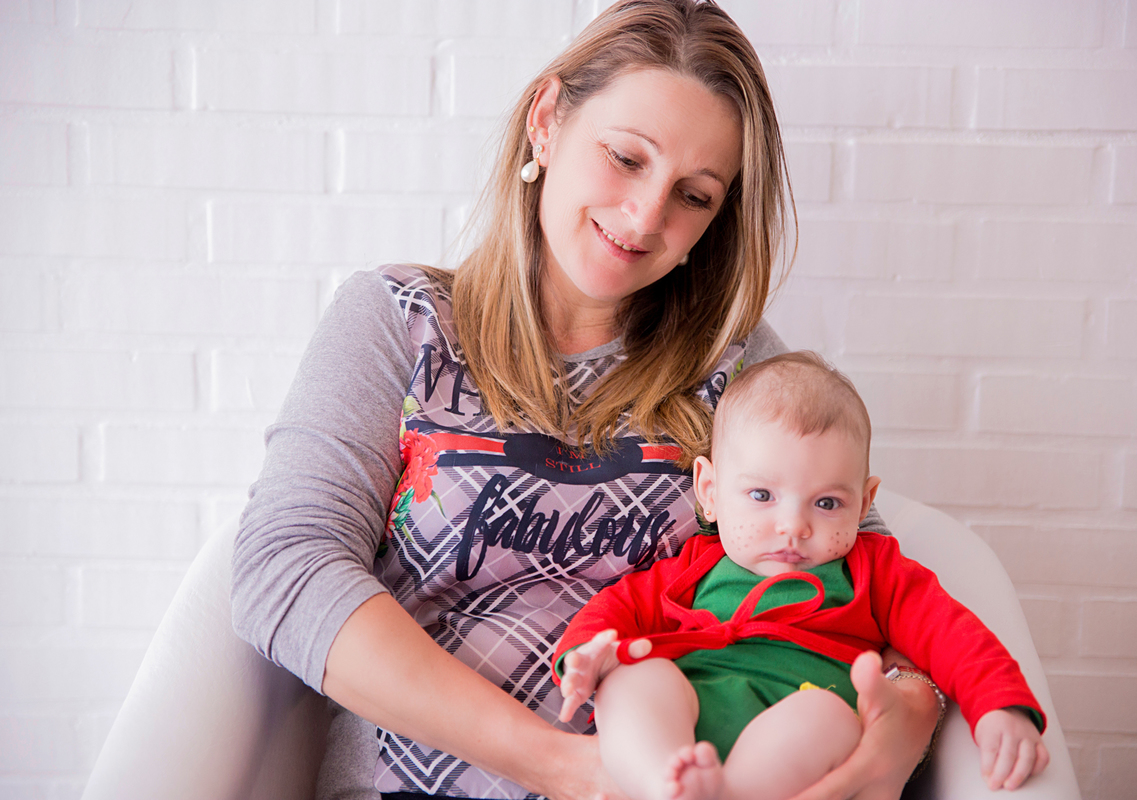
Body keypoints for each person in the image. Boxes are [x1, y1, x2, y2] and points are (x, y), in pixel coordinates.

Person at [230, 2, 942, 798]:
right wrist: (560, 765)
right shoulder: (401, 322)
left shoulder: (734, 363)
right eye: (626, 157)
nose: (646, 216)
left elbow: (870, 577)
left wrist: (904, 725)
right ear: (546, 122)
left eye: (694, 196)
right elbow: (284, 567)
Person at [553, 352, 1050, 800]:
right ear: (709, 491)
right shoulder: (691, 567)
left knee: (826, 716)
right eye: (762, 496)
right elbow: (613, 609)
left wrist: (1000, 706)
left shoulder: (874, 571)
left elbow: (952, 634)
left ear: (864, 504)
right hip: (686, 729)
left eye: (827, 503)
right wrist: (586, 656)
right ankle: (662, 785)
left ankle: (729, 794)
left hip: (797, 742)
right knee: (633, 676)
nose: (793, 526)